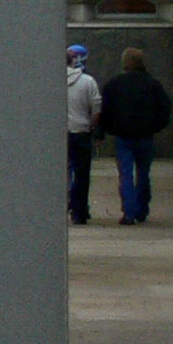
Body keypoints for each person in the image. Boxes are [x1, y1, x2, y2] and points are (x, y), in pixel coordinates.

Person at [96, 47, 173, 225]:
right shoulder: (152, 85)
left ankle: (128, 212)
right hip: (145, 135)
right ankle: (141, 209)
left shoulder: (114, 84)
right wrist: (156, 127)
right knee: (143, 174)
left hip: (123, 136)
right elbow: (164, 108)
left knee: (125, 174)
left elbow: (105, 111)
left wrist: (103, 131)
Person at [68, 45, 102, 224]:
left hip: (60, 134)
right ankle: (79, 211)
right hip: (81, 131)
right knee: (82, 174)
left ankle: (66, 203)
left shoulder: (52, 81)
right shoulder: (88, 81)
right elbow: (96, 108)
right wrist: (92, 127)